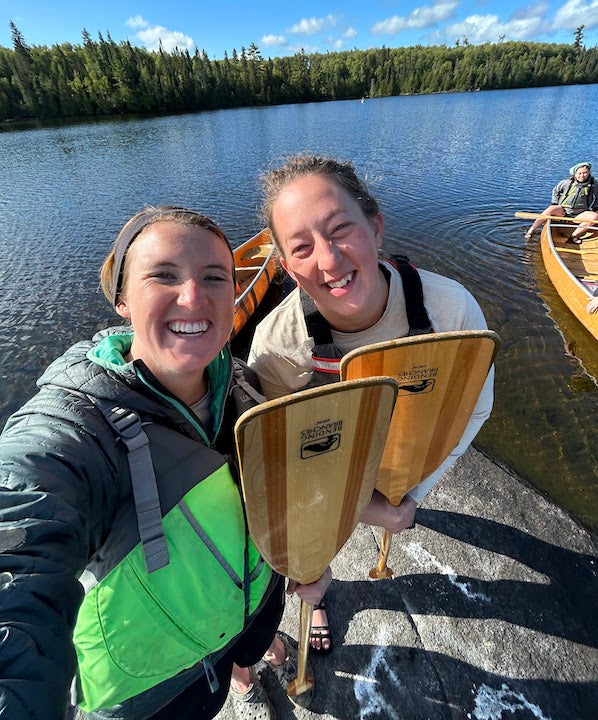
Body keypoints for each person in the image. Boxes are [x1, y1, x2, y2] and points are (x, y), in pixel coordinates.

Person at [0, 206, 329, 720]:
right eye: (164, 275)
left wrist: (311, 547)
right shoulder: (73, 430)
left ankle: (248, 664)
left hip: (250, 608)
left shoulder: (242, 384)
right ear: (123, 300)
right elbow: (20, 550)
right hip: (156, 687)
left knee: (243, 653)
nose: (194, 296)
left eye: (216, 277)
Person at [248, 155, 495, 654]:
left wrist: (414, 491)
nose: (330, 261)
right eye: (301, 247)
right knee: (310, 557)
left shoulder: (451, 309)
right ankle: (317, 593)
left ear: (376, 227)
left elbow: (475, 409)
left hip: (406, 449)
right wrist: (368, 510)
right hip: (327, 473)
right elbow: (281, 473)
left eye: (341, 230)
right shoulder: (276, 347)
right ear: (286, 265)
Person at [525, 162, 598, 242]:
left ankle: (574, 236)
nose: (582, 175)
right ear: (574, 174)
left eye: (585, 173)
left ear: (589, 173)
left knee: (594, 216)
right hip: (563, 212)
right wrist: (555, 203)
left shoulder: (594, 184)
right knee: (550, 209)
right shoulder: (566, 183)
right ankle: (531, 231)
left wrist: (595, 207)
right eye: (579, 173)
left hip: (580, 214)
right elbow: (555, 191)